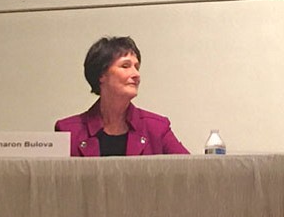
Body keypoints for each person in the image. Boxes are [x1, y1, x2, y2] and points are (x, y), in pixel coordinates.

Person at [55, 37, 189, 156]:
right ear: (101, 75)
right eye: (126, 66)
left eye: (137, 67)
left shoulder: (157, 128)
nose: (136, 74)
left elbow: (191, 172)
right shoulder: (68, 132)